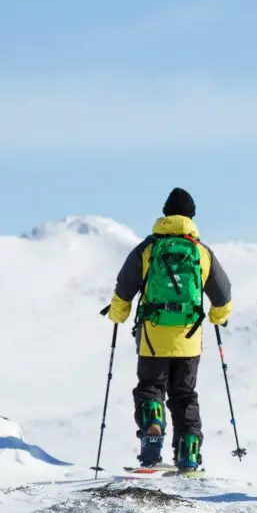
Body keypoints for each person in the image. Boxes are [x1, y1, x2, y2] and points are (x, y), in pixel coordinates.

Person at [106, 187, 233, 471]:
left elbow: (124, 290)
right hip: (189, 338)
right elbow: (223, 295)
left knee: (151, 387)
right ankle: (188, 452)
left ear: (164, 213)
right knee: (184, 395)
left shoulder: (147, 249)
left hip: (153, 336)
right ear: (192, 216)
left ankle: (152, 425)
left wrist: (117, 315)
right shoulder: (201, 252)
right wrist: (217, 317)